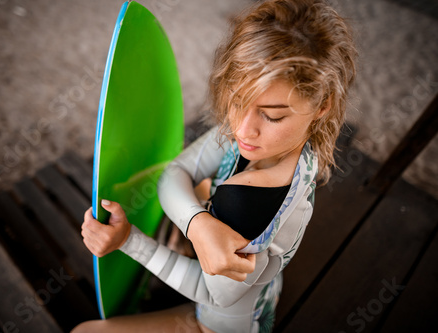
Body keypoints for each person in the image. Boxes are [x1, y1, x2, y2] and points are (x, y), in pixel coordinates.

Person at [73, 0, 357, 331]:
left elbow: (213, 296)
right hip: (260, 287)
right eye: (237, 101)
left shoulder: (246, 203)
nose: (242, 129)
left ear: (323, 106)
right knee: (198, 187)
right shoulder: (275, 139)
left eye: (273, 115)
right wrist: (199, 225)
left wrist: (127, 241)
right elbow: (174, 173)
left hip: (219, 324)